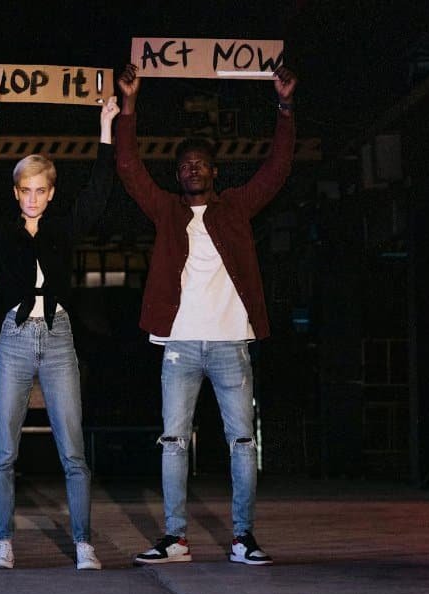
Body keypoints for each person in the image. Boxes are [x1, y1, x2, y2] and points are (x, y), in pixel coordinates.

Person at [115, 63, 298, 566]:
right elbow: (129, 170)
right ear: (178, 175)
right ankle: (175, 539)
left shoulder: (235, 208)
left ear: (215, 172)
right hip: (178, 346)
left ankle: (243, 538)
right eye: (185, 165)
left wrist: (283, 106)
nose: (193, 169)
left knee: (241, 441)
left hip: (229, 344)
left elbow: (277, 170)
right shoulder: (168, 211)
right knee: (173, 441)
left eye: (201, 163)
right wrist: (129, 106)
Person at [0, 98, 120, 571]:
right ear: (16, 193)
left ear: (51, 193)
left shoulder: (64, 228)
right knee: (3, 449)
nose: (33, 197)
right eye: (25, 190)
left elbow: (99, 193)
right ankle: (4, 543)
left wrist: (105, 126)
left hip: (58, 336)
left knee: (73, 449)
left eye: (41, 190)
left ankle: (83, 544)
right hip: (14, 339)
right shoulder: (2, 228)